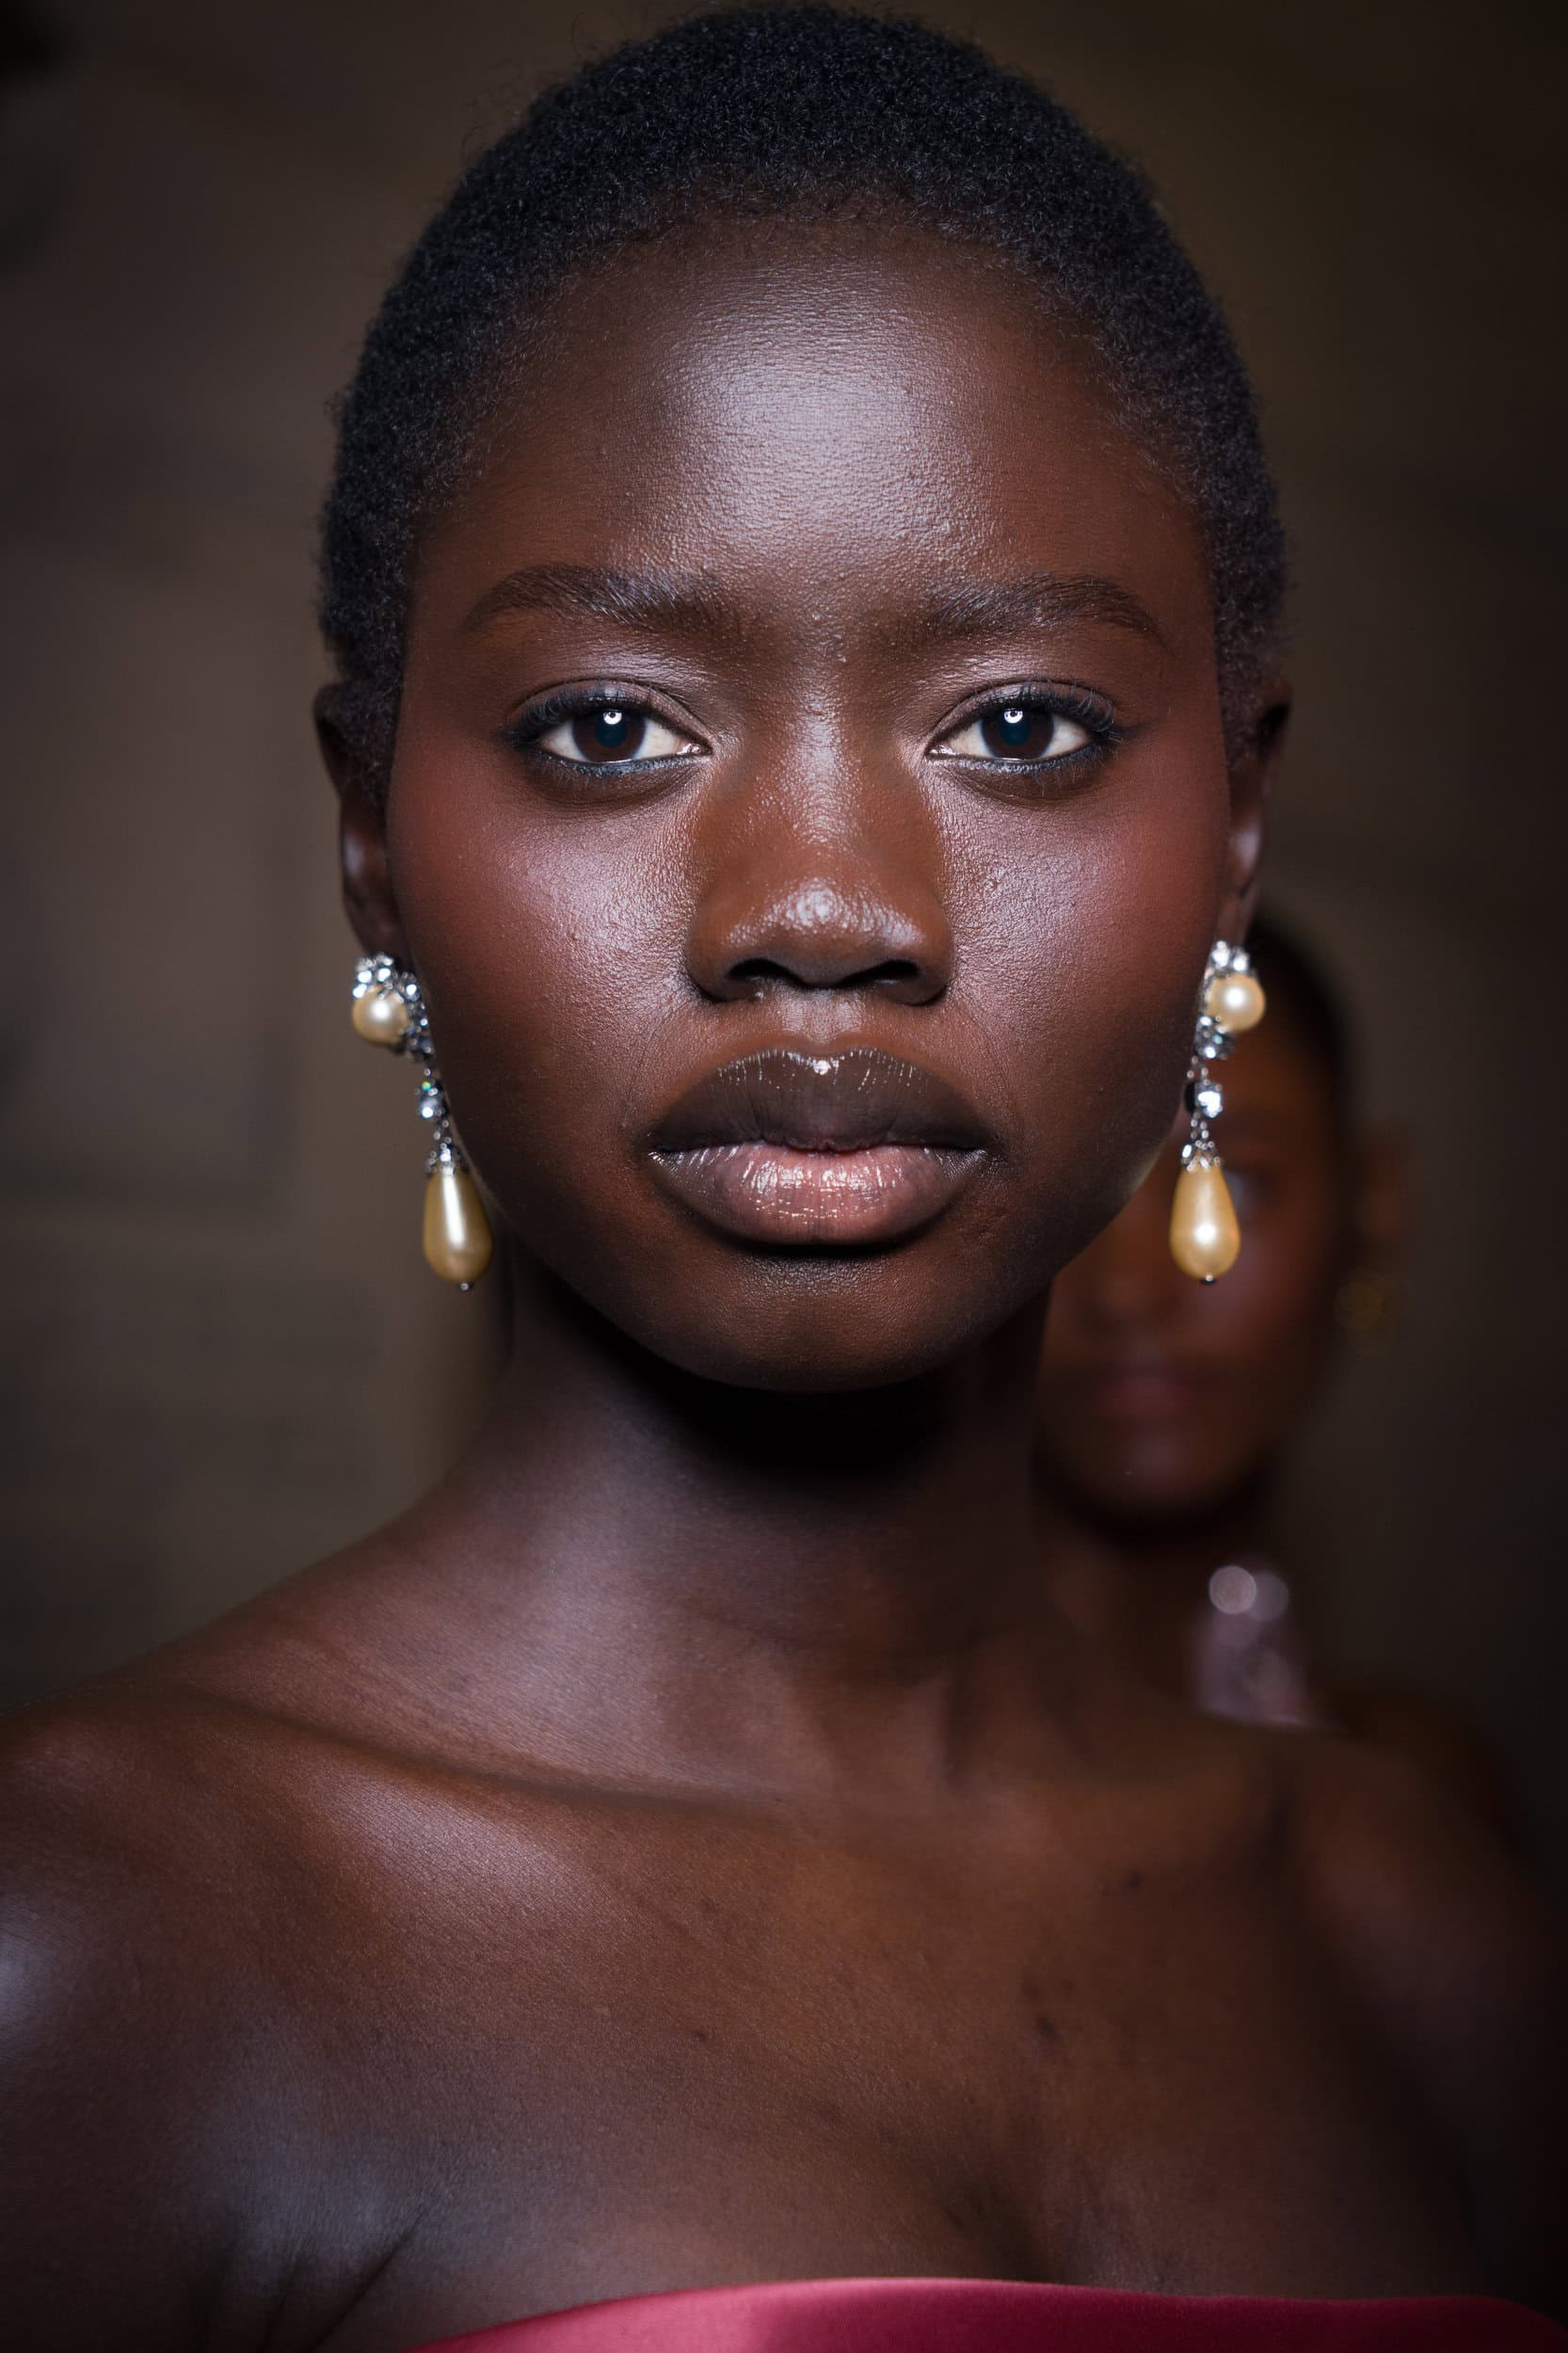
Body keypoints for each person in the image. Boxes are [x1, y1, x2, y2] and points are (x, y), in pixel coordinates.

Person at [1, 11, 1561, 2350]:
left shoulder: (1421, 1941)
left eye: (1020, 726)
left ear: (1235, 831)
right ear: (371, 849)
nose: (821, 904)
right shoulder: (95, 1945)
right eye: (610, 726)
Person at [1033, 914, 1515, 1827]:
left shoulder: (1422, 1806)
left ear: (1372, 1209)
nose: (1130, 1291)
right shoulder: (849, 1799)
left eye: (1234, 1183)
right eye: (1067, 1197)